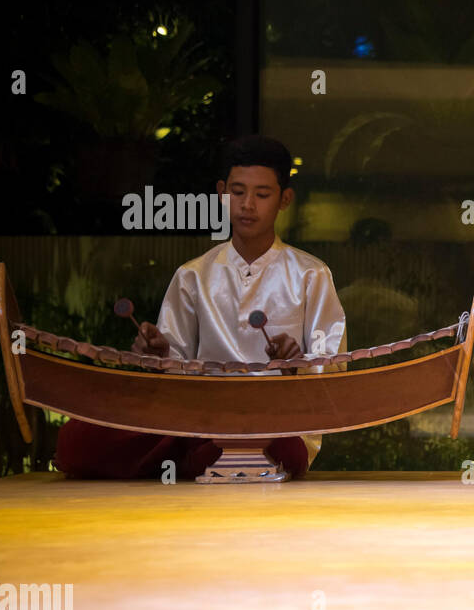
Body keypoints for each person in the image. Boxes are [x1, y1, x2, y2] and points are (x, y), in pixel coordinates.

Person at [54, 136, 347, 480]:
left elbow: (335, 370)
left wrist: (295, 365)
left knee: (283, 450)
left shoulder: (311, 274)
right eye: (238, 192)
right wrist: (160, 353)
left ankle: (203, 460)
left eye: (262, 194)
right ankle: (205, 458)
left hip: (275, 421)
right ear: (222, 192)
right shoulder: (193, 275)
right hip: (199, 418)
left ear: (285, 199)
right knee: (78, 438)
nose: (248, 205)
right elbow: (175, 374)